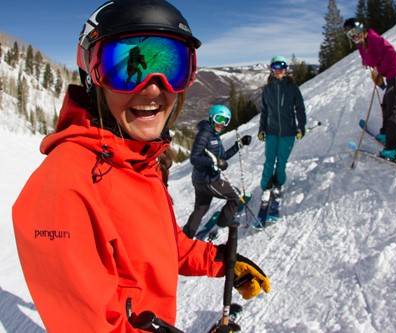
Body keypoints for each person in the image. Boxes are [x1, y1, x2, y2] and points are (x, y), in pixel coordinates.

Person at [12, 1, 270, 332]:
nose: (151, 88)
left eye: (172, 67)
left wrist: (220, 262)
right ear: (93, 79)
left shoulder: (138, 161)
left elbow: (161, 245)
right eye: (127, 69)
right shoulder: (65, 188)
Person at [343, 18, 396, 161]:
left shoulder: (373, 38)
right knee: (386, 104)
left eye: (355, 32)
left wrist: (379, 69)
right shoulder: (362, 45)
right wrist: (377, 74)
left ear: (361, 28)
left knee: (393, 110)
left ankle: (393, 149)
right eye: (350, 34)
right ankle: (386, 133)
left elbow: (391, 53)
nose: (354, 36)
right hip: (392, 75)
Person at [182, 105, 252, 239]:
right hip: (209, 181)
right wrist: (214, 162)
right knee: (235, 195)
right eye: (219, 118)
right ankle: (222, 224)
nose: (222, 124)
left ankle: (186, 236)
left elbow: (222, 158)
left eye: (225, 121)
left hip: (201, 180)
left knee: (201, 208)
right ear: (211, 118)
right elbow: (194, 158)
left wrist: (239, 145)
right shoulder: (204, 135)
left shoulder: (213, 135)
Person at [257, 55, 306, 202]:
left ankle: (278, 184)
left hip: (288, 132)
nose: (278, 70)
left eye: (281, 67)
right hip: (271, 132)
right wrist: (262, 129)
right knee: (269, 161)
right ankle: (266, 187)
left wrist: (300, 127)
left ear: (286, 69)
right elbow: (264, 111)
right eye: (275, 67)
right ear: (271, 70)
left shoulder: (292, 88)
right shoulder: (267, 89)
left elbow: (300, 109)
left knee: (281, 162)